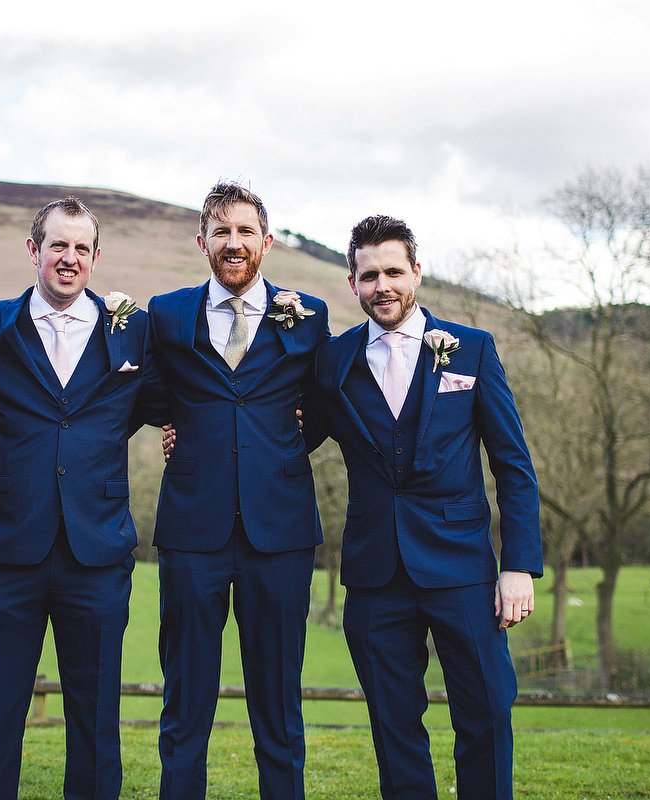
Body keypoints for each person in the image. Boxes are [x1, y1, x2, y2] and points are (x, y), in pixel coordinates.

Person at [314, 214, 542, 799]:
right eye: (369, 276)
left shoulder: (471, 350)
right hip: (373, 574)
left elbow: (512, 465)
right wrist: (181, 426)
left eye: (393, 271)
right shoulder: (334, 362)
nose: (382, 285)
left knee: (487, 711)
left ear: (417, 271)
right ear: (352, 283)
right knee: (394, 728)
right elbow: (284, 428)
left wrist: (518, 566)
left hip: (461, 567)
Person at [0, 197, 166, 800]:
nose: (69, 258)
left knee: (97, 722)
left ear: (96, 257)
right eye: (58, 245)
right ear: (34, 251)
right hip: (5, 549)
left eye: (81, 248)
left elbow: (169, 402)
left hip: (96, 554)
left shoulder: (134, 332)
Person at [147, 181, 329, 800]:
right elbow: (147, 394)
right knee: (185, 703)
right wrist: (177, 425)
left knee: (279, 705)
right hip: (192, 531)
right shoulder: (167, 314)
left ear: (267, 242)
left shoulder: (307, 319)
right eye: (221, 232)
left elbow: (326, 405)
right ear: (202, 243)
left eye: (246, 231)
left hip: (279, 534)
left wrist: (285, 443)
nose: (234, 243)